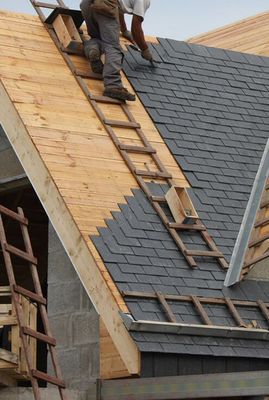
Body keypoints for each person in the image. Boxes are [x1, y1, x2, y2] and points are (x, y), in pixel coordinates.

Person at [80, 0, 152, 102]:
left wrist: (124, 30)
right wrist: (145, 50)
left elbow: (118, 9)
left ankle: (93, 49)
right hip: (105, 7)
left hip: (88, 4)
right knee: (113, 47)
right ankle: (113, 85)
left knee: (97, 37)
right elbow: (136, 26)